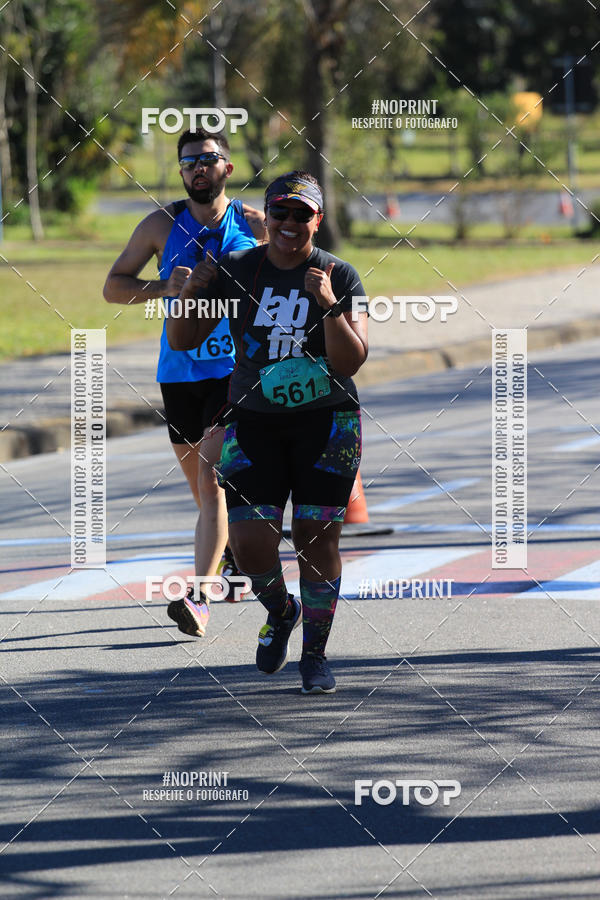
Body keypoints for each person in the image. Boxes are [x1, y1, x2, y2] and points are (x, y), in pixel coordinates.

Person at [167, 171, 368, 693]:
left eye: (303, 214)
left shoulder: (339, 275)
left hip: (328, 423)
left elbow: (351, 361)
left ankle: (315, 656)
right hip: (254, 420)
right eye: (280, 211)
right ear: (267, 215)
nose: (289, 222)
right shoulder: (237, 269)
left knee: (315, 540)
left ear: (318, 221)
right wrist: (188, 293)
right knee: (252, 544)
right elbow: (184, 340)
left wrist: (328, 306)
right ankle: (281, 611)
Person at [103, 128, 266, 637]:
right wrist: (160, 286)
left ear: (227, 168)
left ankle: (199, 598)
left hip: (233, 372)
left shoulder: (254, 224)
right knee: (202, 490)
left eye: (208, 159)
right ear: (180, 171)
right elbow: (113, 287)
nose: (198, 168)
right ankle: (232, 553)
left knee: (212, 480)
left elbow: (285, 278)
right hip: (178, 372)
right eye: (189, 161)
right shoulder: (160, 224)